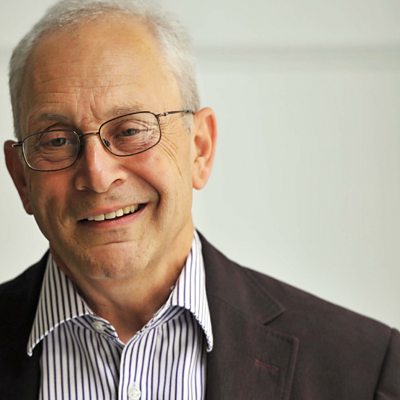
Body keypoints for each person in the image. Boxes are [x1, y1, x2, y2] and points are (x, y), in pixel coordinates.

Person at [1, 0, 399, 398]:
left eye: (131, 130)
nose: (98, 176)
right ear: (21, 177)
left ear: (200, 148)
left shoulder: (364, 371)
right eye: (56, 141)